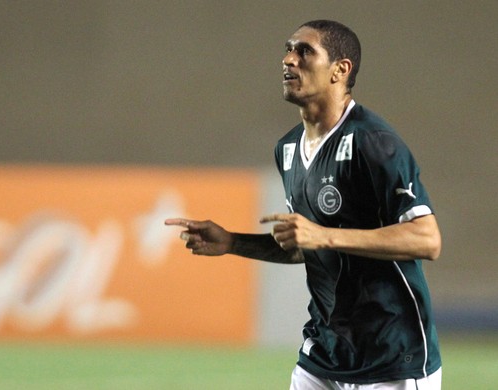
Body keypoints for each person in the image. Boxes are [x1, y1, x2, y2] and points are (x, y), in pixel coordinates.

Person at [165, 20, 443, 389]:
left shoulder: (374, 142)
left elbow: (427, 240)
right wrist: (232, 242)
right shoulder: (288, 149)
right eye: (288, 49)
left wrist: (324, 236)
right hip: (325, 352)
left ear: (340, 70)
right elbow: (304, 247)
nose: (288, 59)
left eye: (304, 52)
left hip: (391, 356)